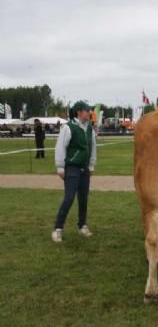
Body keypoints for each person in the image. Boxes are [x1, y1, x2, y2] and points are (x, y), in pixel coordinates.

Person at [51, 101, 97, 243]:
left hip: (84, 168)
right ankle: (58, 229)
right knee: (69, 198)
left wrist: (91, 165)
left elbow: (92, 148)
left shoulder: (90, 128)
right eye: (86, 111)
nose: (89, 113)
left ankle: (82, 225)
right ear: (79, 112)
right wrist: (60, 166)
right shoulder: (68, 127)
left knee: (83, 199)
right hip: (72, 168)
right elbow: (60, 147)